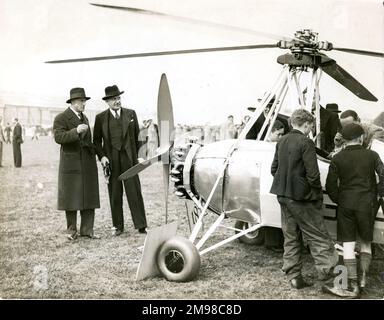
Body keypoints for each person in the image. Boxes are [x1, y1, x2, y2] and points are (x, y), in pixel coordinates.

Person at [270, 109, 338, 289]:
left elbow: (274, 169)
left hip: (283, 196)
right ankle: (332, 280)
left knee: (291, 236)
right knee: (319, 237)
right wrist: (315, 194)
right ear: (307, 124)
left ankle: (294, 276)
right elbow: (313, 175)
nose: (310, 130)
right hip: (302, 199)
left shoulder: (282, 140)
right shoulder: (306, 142)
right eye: (310, 126)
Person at [323, 123, 384, 298]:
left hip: (346, 204)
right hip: (367, 204)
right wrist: (378, 194)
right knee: (365, 242)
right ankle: (364, 278)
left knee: (348, 244)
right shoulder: (372, 155)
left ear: (345, 139)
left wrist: (339, 200)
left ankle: (352, 283)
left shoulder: (337, 158)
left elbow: (330, 185)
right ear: (361, 138)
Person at [93, 85, 148, 235]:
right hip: (111, 161)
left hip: (129, 160)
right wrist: (102, 156)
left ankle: (141, 225)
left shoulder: (131, 114)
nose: (117, 101)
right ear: (107, 102)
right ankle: (118, 226)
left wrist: (141, 155)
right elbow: (96, 141)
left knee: (134, 192)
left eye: (118, 98)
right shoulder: (100, 118)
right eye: (113, 99)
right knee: (115, 194)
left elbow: (139, 136)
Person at [53, 87, 100, 240]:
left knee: (89, 196)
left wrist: (100, 155)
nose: (84, 103)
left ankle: (87, 230)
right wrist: (76, 131)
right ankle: (71, 231)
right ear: (73, 102)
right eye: (81, 101)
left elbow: (89, 142)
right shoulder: (61, 117)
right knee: (72, 198)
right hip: (71, 164)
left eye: (84, 101)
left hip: (87, 163)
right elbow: (59, 137)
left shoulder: (85, 118)